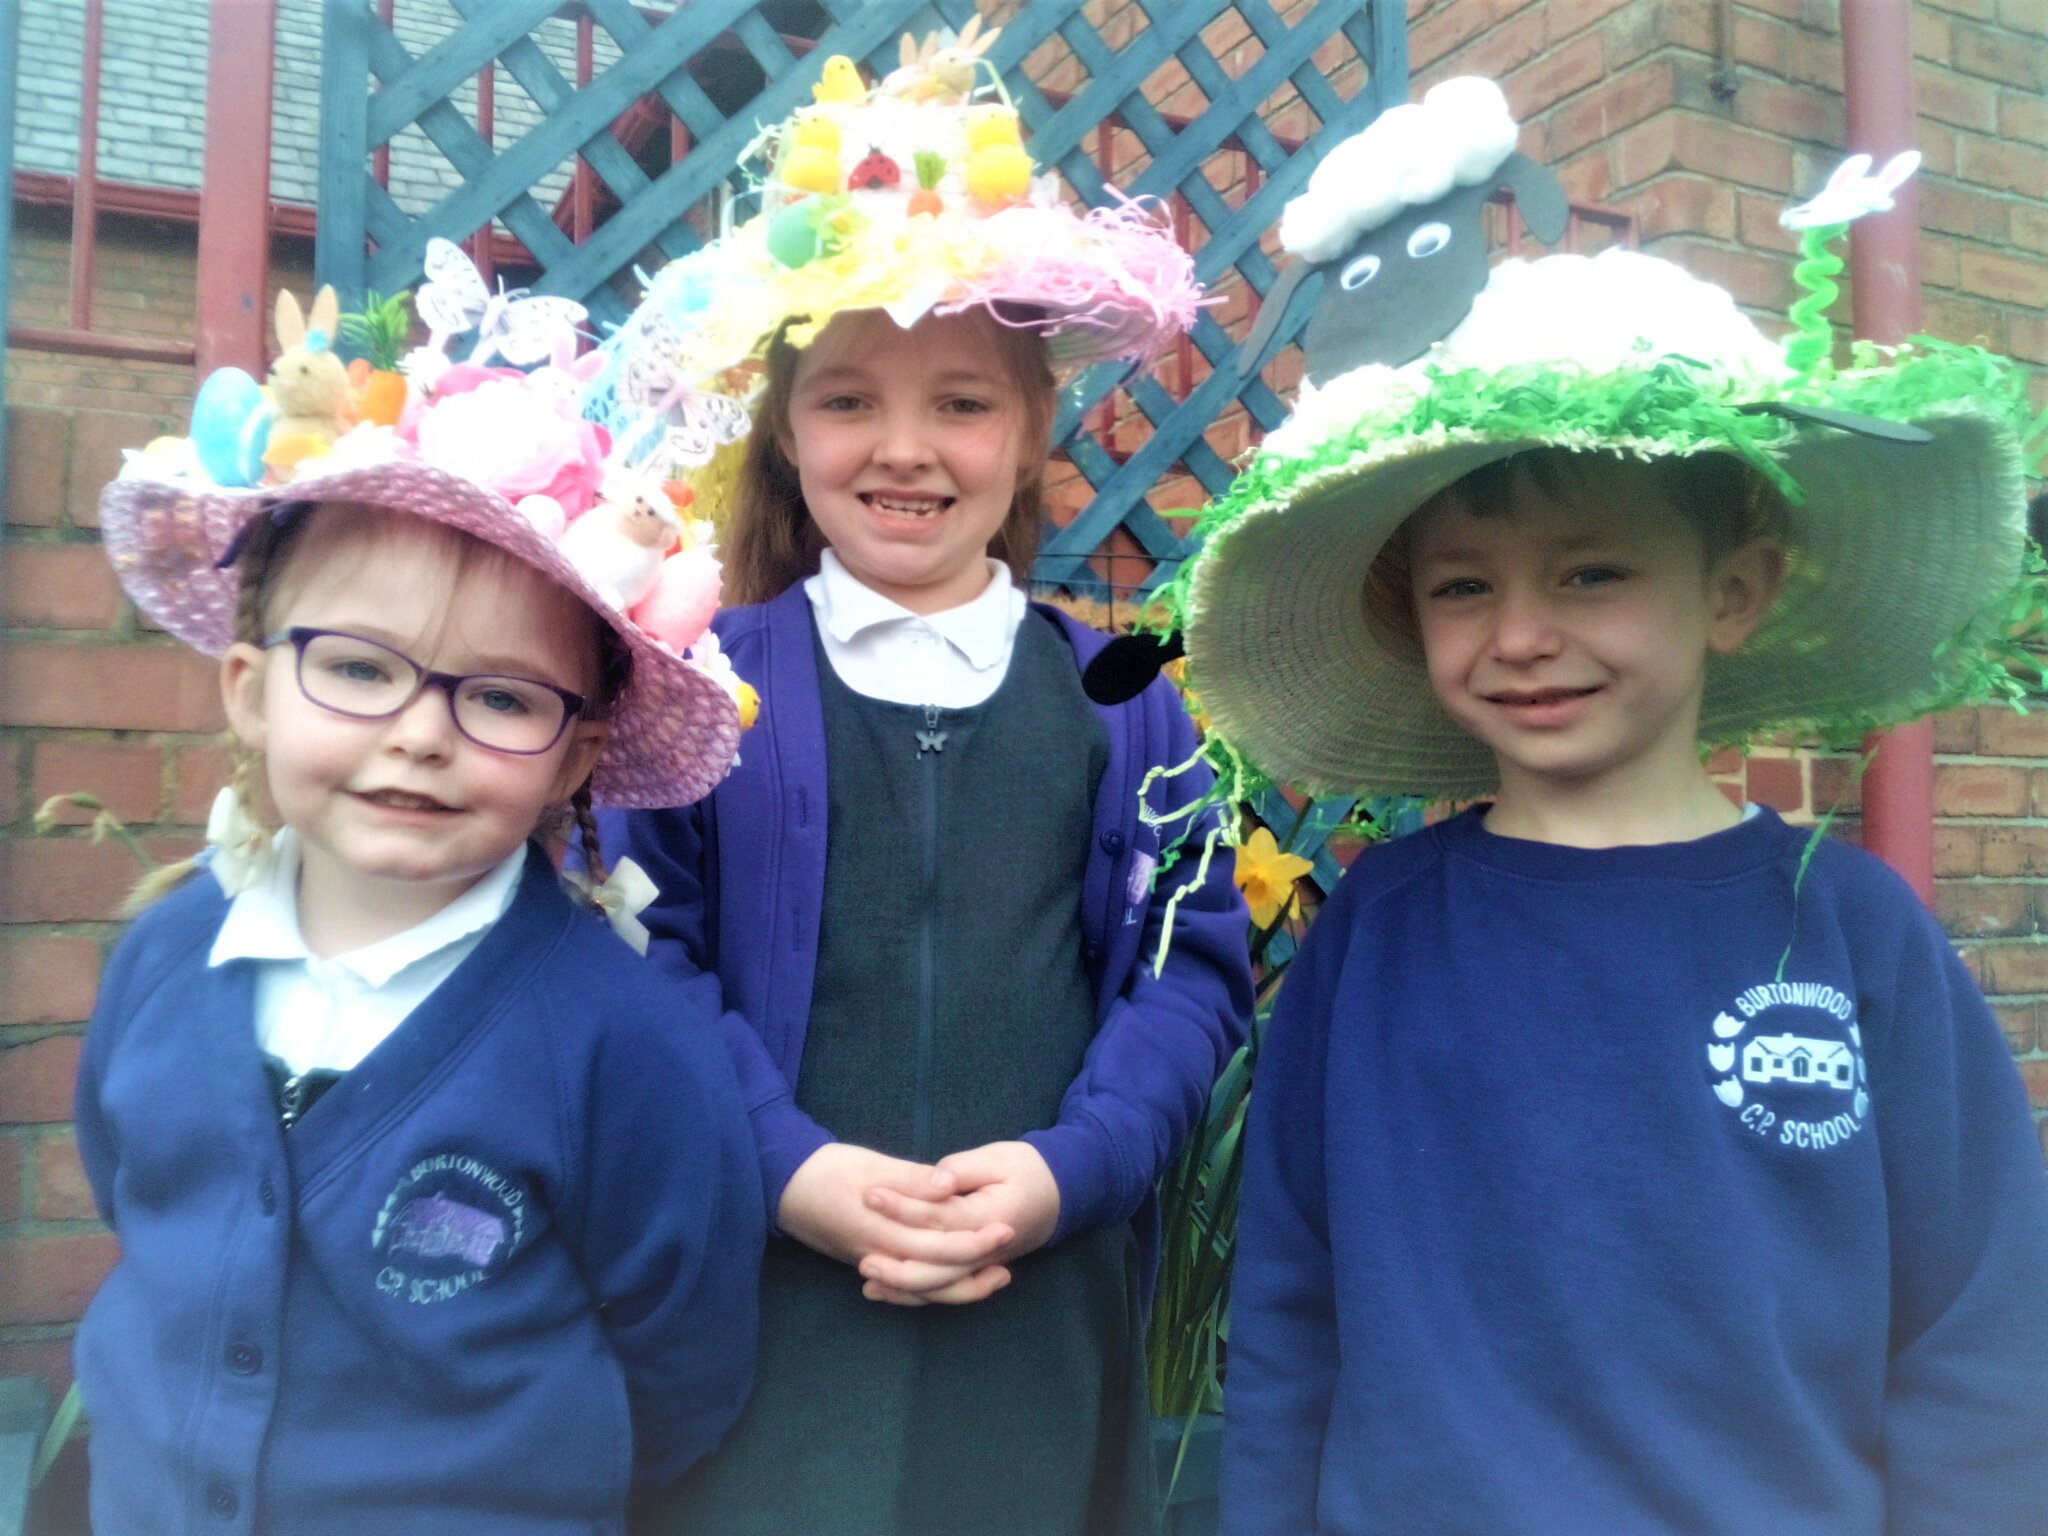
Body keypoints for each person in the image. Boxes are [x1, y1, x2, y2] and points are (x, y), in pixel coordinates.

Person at [1169, 119, 2048, 1535]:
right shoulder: (1381, 931)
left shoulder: (1850, 931)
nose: (1523, 635)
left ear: (1733, 591)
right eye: (1464, 587)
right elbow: (1289, 1313)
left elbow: (1978, 1340)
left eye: (1591, 571)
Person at [586, 40, 1254, 1536]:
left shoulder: (1130, 700)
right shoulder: (701, 682)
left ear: (1030, 444)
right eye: (846, 402)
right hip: (765, 1323)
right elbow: (638, 954)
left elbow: (1189, 974)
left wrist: (1070, 1167)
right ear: (786, 431)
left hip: (1038, 1319)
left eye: (962, 403)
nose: (904, 448)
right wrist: (791, 1171)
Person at [76, 348, 765, 1536]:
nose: (418, 735)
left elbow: (679, 1363)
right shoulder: (163, 961)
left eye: (501, 697)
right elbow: (130, 1189)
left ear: (579, 751)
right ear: (250, 689)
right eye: (354, 668)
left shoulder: (624, 1040)